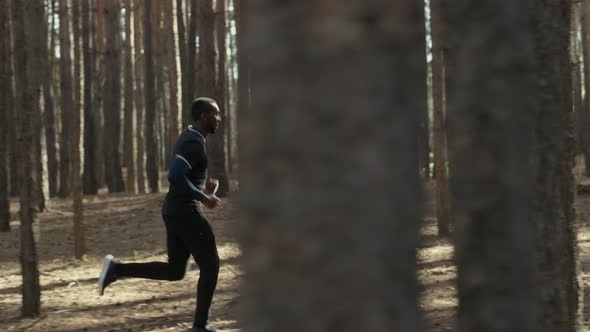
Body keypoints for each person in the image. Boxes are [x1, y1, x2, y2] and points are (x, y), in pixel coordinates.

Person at [98, 97, 223, 332]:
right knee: (211, 265)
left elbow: (184, 177)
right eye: (216, 114)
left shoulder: (191, 138)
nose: (219, 118)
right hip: (185, 212)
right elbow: (175, 176)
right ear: (204, 116)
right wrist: (203, 197)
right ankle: (200, 326)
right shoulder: (193, 142)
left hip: (175, 209)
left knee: (176, 270)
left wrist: (203, 190)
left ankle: (116, 269)